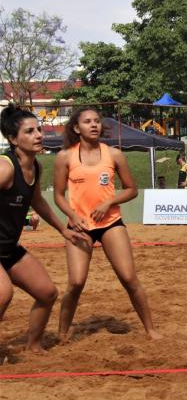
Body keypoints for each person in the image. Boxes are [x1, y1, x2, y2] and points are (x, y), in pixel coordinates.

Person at [53, 107, 161, 341]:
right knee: (76, 282)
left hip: (111, 223)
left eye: (97, 121)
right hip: (80, 226)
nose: (94, 125)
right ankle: (62, 334)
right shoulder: (65, 157)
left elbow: (132, 190)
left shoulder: (114, 154)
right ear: (76, 128)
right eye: (87, 122)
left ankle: (151, 330)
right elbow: (58, 195)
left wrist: (109, 202)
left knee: (129, 278)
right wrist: (72, 216)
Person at [0, 104, 87, 349]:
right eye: (29, 131)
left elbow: (37, 201)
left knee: (47, 293)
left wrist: (63, 229)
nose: (38, 135)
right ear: (13, 139)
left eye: (39, 129)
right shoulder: (5, 168)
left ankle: (34, 347)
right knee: (3, 294)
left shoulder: (36, 167)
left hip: (8, 249)